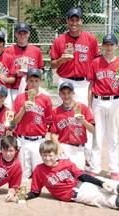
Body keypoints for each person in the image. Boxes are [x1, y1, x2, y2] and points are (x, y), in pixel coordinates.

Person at [49, 7, 101, 169]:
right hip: (65, 81)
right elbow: (52, 65)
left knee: (85, 117)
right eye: (71, 19)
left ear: (81, 21)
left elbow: (97, 63)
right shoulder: (60, 41)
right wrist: (61, 61)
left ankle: (87, 157)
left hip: (83, 83)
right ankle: (63, 151)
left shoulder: (91, 39)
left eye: (77, 19)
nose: (74, 23)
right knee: (63, 117)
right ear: (67, 21)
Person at [25, 140, 119, 210]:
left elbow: (83, 176)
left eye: (50, 155)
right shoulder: (39, 170)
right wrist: (25, 196)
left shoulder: (65, 162)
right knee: (103, 198)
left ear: (56, 154)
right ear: (40, 155)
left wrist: (101, 183)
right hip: (75, 193)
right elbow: (35, 191)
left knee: (109, 183)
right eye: (44, 155)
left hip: (82, 183)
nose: (47, 158)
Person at [87, 34, 119, 180]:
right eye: (106, 44)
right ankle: (95, 167)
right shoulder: (96, 62)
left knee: (114, 136)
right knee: (97, 135)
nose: (109, 47)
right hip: (98, 101)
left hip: (115, 101)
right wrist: (89, 106)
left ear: (116, 46)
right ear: (103, 46)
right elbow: (91, 85)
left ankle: (114, 169)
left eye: (111, 44)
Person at [13, 68, 52, 182]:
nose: (33, 84)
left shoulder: (45, 99)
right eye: (31, 80)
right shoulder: (20, 98)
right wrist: (23, 109)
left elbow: (49, 121)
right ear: (26, 81)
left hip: (38, 140)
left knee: (39, 175)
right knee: (22, 176)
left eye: (36, 80)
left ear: (40, 81)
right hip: (23, 140)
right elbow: (13, 122)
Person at [50, 82, 95, 170]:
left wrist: (84, 121)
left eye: (69, 93)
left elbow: (92, 129)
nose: (66, 96)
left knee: (78, 176)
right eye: (63, 93)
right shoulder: (56, 112)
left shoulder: (82, 108)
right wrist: (58, 146)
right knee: (63, 174)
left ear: (73, 93)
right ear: (59, 94)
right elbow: (53, 134)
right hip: (64, 147)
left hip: (79, 148)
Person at [5, 22, 44, 102]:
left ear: (29, 34)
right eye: (20, 33)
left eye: (25, 33)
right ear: (15, 34)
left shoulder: (36, 51)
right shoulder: (9, 51)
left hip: (31, 89)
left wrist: (38, 72)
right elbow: (6, 71)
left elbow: (42, 69)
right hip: (15, 88)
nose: (22, 36)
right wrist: (16, 74)